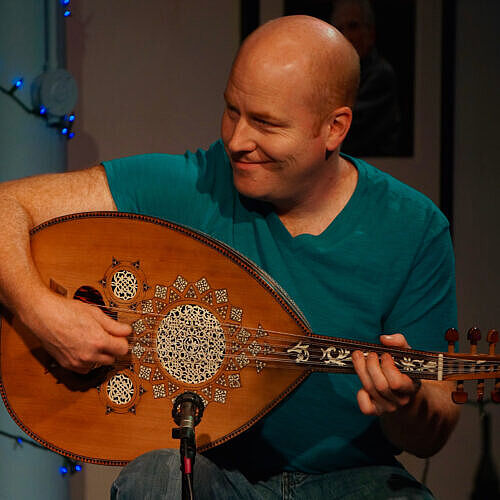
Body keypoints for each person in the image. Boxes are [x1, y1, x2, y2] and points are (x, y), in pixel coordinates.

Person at [0, 15, 459, 500]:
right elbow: (7, 204)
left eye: (265, 124)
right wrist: (40, 309)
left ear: (334, 128)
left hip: (354, 477)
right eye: (231, 111)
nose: (237, 140)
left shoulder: (414, 228)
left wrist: (404, 405)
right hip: (216, 472)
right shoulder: (196, 184)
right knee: (154, 479)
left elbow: (430, 434)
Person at [330, 0, 401, 156]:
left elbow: (349, 130)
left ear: (370, 33)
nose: (346, 35)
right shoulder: (335, 74)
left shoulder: (381, 75)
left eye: (353, 26)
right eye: (339, 29)